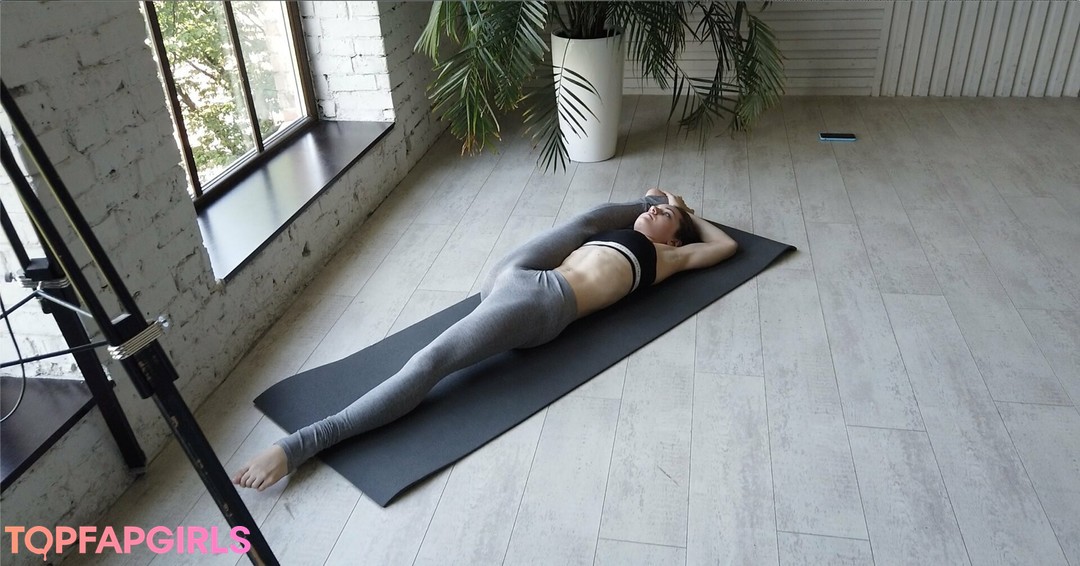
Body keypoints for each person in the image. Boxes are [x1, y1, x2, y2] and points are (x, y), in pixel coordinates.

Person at [234, 189, 737, 491]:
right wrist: (662, 202)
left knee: (431, 361)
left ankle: (297, 446)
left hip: (544, 302)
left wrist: (684, 211)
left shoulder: (669, 258)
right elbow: (648, 193)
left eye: (663, 217)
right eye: (652, 210)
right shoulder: (636, 227)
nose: (655, 213)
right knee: (582, 222)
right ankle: (300, 444)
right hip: (520, 274)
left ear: (675, 239)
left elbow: (726, 245)